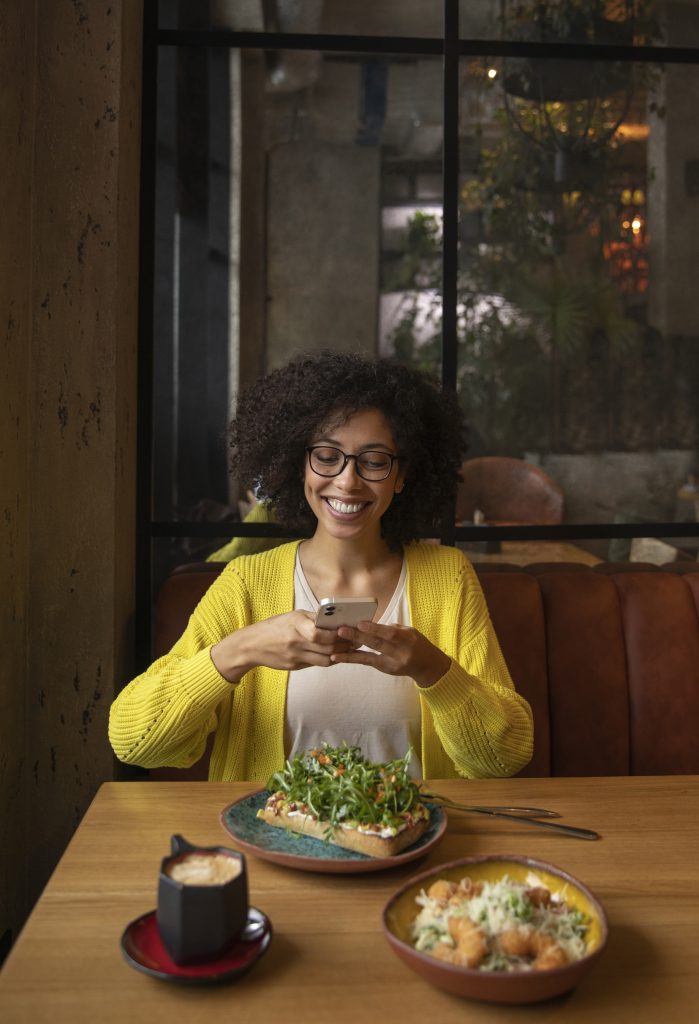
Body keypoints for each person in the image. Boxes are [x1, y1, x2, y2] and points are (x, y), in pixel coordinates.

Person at [109, 351, 533, 781]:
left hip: (411, 841)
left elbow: (503, 758)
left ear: (401, 475)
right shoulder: (246, 584)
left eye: (373, 460)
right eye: (328, 456)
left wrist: (432, 669)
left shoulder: (448, 577)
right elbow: (137, 742)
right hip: (272, 843)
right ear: (300, 465)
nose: (348, 481)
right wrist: (240, 651)